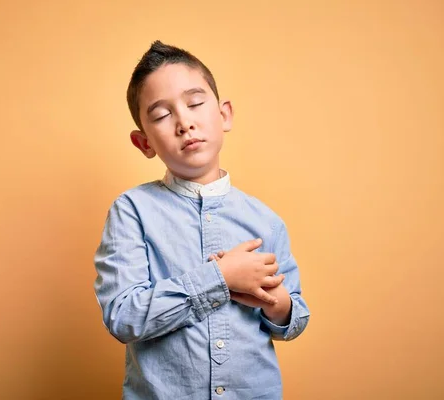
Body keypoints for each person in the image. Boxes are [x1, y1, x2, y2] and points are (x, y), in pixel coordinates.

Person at [94, 40, 310, 400]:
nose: (184, 122)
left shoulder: (266, 221)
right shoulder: (132, 210)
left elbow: (293, 321)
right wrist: (219, 279)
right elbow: (123, 315)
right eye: (162, 115)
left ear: (224, 114)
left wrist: (279, 304)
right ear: (143, 142)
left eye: (195, 104)